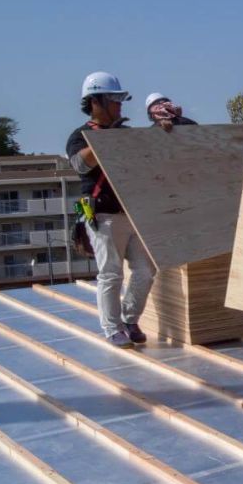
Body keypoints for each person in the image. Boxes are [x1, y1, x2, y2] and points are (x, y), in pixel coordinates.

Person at [65, 72, 157, 347]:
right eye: (114, 99)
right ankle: (112, 328)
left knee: (145, 270)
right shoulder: (80, 136)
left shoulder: (124, 134)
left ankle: (130, 319)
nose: (119, 105)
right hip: (102, 215)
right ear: (95, 102)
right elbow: (80, 165)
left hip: (130, 213)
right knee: (111, 273)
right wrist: (107, 140)